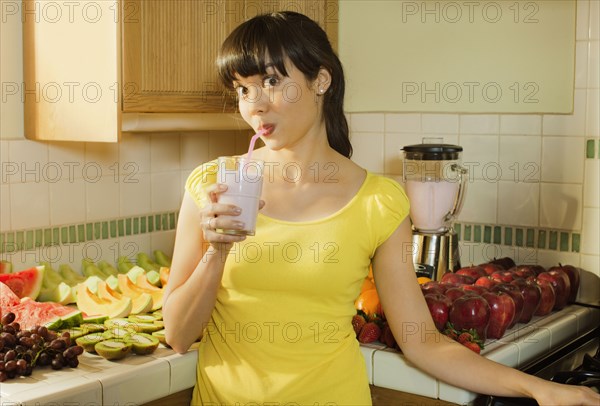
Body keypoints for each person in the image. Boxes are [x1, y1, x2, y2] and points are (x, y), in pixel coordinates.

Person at [163, 11, 600, 405]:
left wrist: (538, 388)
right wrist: (217, 251)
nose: (254, 105)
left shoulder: (379, 202)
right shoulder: (211, 186)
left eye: (273, 82)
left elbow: (422, 341)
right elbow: (179, 335)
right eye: (243, 89)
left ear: (321, 80)